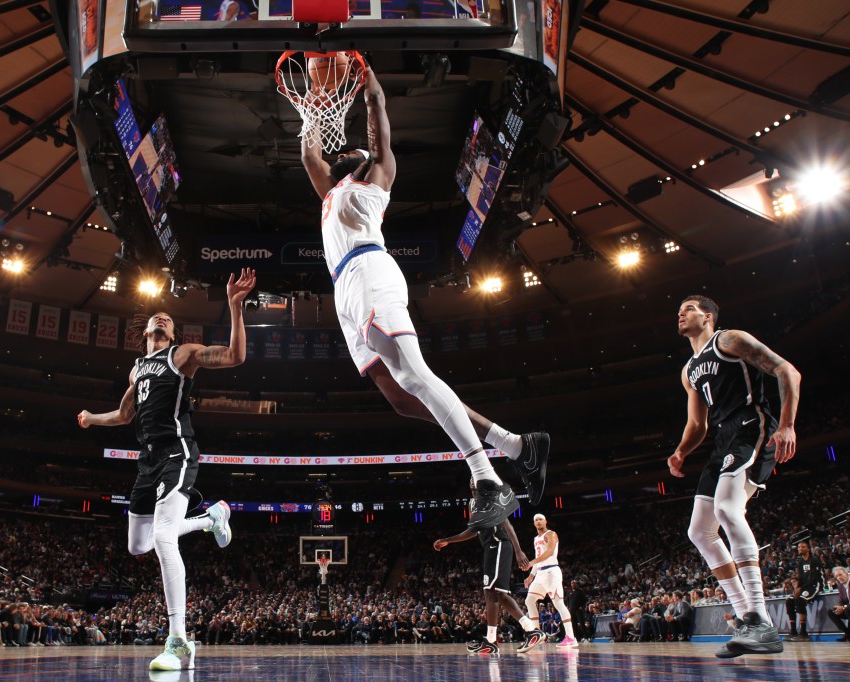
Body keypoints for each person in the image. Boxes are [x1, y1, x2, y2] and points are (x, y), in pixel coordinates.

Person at [300, 61, 549, 529]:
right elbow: (310, 159)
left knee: (417, 374)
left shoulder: (375, 177)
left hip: (371, 273)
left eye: (349, 151)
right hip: (346, 293)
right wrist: (312, 108)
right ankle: (518, 445)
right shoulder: (331, 192)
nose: (342, 152)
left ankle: (489, 479)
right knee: (400, 396)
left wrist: (367, 79)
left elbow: (377, 120)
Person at [77, 267, 256, 672]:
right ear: (145, 333)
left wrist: (234, 306)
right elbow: (125, 415)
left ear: (172, 334)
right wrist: (91, 417)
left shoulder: (183, 355)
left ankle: (179, 642)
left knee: (161, 536)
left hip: (178, 451)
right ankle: (210, 518)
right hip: (147, 458)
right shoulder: (137, 369)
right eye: (157, 318)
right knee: (138, 545)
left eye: (168, 320)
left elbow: (235, 356)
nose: (161, 318)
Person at [669, 295, 800, 658]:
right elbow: (697, 424)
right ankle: (747, 619)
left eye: (689, 309)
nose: (680, 315)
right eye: (679, 311)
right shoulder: (689, 369)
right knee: (698, 531)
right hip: (722, 438)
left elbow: (787, 370)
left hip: (751, 425)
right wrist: (681, 451)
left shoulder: (728, 340)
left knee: (728, 509)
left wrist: (787, 425)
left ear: (708, 316)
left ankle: (760, 618)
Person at [433, 479, 540, 655]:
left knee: (496, 592)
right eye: (471, 481)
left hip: (500, 544)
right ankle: (493, 640)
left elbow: (507, 525)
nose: (473, 484)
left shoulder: (491, 498)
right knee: (492, 592)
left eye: (476, 481)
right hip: (489, 547)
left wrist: (519, 551)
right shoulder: (471, 503)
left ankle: (530, 631)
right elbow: (474, 530)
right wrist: (448, 540)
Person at [522, 513, 578, 648]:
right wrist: (531, 575)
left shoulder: (551, 534)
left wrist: (530, 562)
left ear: (546, 521)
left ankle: (571, 637)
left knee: (558, 604)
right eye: (536, 520)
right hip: (540, 573)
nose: (538, 521)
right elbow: (539, 557)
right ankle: (537, 635)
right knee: (529, 601)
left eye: (540, 519)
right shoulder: (536, 538)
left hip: (551, 571)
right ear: (534, 523)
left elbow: (549, 552)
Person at [785, 540, 823, 641]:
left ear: (808, 549)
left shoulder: (814, 560)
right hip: (805, 586)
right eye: (799, 547)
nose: (800, 549)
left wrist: (801, 588)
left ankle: (803, 633)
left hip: (815, 585)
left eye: (803, 547)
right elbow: (801, 578)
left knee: (800, 599)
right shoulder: (800, 562)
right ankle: (793, 631)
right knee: (789, 600)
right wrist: (797, 588)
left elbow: (814, 578)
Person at [827, 566, 849, 642]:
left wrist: (843, 607)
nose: (839, 577)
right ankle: (847, 633)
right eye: (836, 576)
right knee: (831, 612)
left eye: (840, 574)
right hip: (848, 608)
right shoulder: (840, 585)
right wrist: (840, 607)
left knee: (847, 609)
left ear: (846, 573)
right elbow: (841, 600)